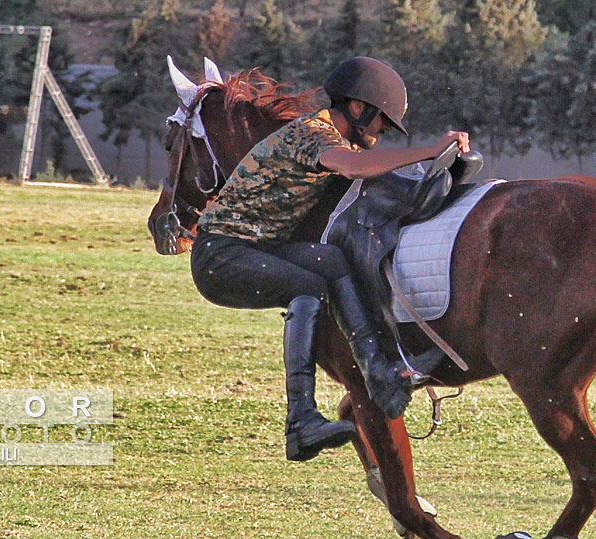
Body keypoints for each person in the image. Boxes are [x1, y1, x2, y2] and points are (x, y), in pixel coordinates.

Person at [190, 56, 470, 462]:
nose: (385, 130)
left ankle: (381, 372)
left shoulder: (330, 137)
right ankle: (300, 421)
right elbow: (355, 167)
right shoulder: (310, 133)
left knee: (331, 261)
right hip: (220, 256)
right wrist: (429, 151)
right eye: (383, 121)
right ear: (358, 108)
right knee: (308, 284)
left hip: (259, 247)